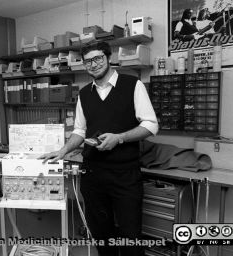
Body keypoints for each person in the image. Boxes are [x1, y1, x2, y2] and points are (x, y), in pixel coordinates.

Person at [40, 41, 158, 256]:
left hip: (125, 174)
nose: (93, 65)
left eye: (97, 59)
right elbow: (79, 131)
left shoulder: (133, 85)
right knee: (101, 235)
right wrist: (63, 150)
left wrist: (119, 138)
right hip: (93, 174)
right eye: (88, 62)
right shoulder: (85, 94)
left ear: (108, 57)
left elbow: (151, 125)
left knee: (130, 236)